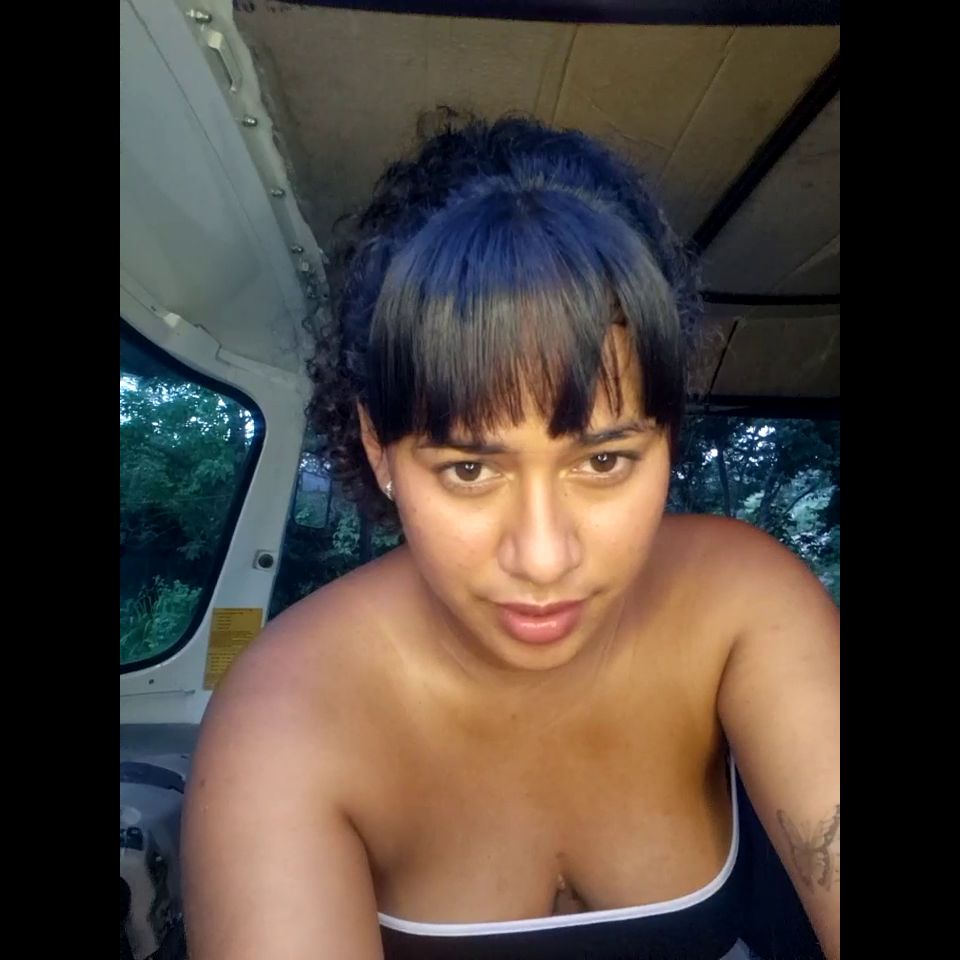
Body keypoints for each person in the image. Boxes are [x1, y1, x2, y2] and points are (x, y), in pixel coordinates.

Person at [182, 109, 840, 960]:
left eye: (603, 460)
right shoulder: (285, 718)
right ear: (380, 450)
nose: (543, 556)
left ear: (668, 438)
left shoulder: (742, 604)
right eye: (469, 470)